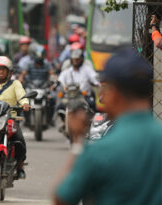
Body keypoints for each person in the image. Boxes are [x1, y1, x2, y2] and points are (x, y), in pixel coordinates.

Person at [53, 48, 162, 205]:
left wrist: (78, 142)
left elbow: (62, 199)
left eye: (105, 89)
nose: (102, 97)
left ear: (115, 93)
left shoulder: (100, 150)